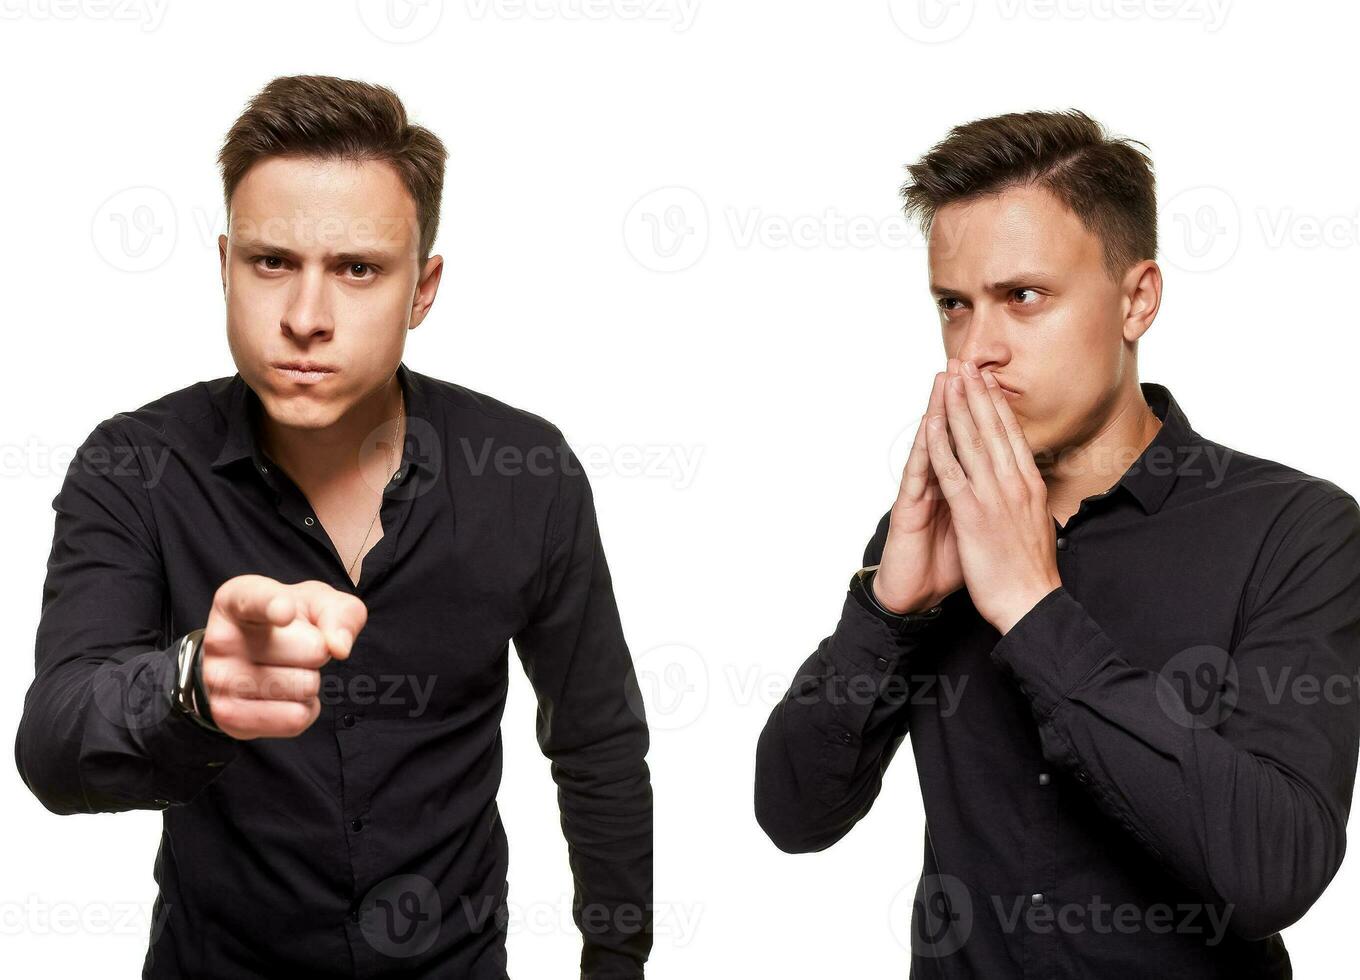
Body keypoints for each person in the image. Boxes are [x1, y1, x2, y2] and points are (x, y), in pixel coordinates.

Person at [15, 74, 651, 979]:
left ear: (423, 288)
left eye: (358, 270)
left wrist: (616, 962)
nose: (306, 319)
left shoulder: (529, 472)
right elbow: (52, 744)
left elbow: (597, 743)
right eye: (272, 262)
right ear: (224, 266)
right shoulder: (134, 467)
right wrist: (191, 685)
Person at [753, 108, 1360, 977]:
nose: (977, 351)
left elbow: (1273, 872)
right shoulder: (935, 524)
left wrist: (1034, 611)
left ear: (1137, 299)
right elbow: (794, 815)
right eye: (953, 306)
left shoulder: (1295, 530)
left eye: (1023, 297)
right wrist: (886, 613)